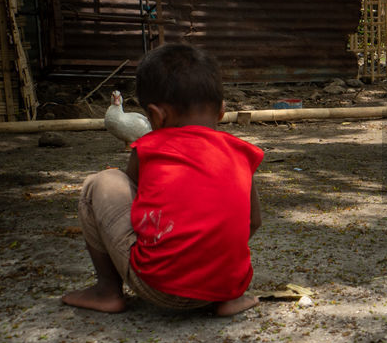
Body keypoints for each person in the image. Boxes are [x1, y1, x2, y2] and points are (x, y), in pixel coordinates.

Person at [61, 43, 264, 317]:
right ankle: (228, 297)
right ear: (221, 111)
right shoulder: (241, 153)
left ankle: (107, 291)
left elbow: (131, 193)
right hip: (228, 285)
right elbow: (253, 222)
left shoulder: (148, 148)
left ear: (157, 115)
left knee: (101, 182)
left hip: (158, 286)